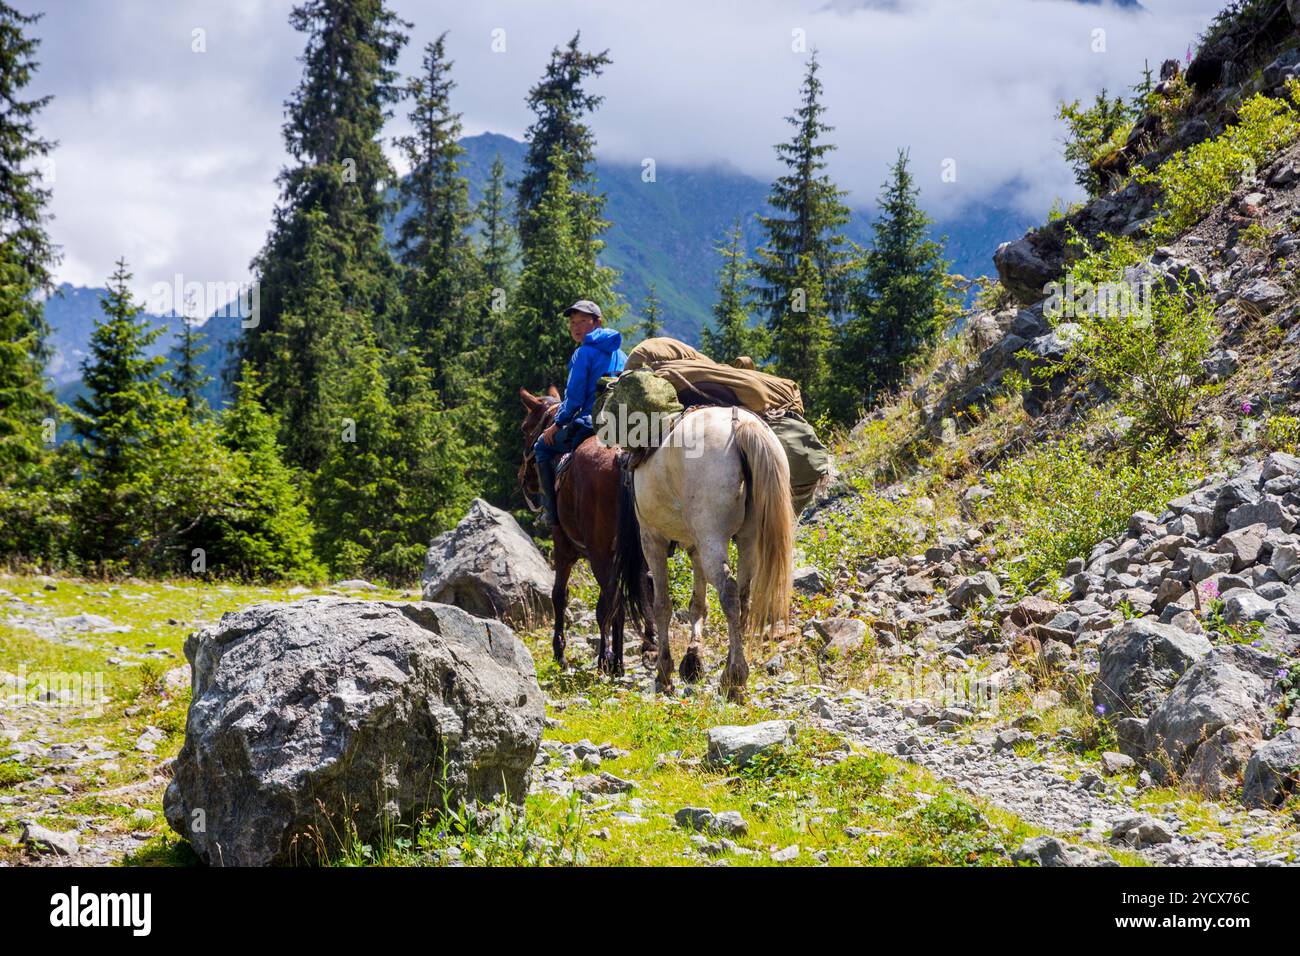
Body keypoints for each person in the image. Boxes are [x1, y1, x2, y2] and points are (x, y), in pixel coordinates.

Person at [534, 300, 627, 528]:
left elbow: (573, 398)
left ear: (597, 323)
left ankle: (551, 514)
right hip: (620, 422)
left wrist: (557, 424)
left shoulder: (583, 353)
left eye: (583, 322)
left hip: (590, 422)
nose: (576, 327)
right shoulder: (621, 353)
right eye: (573, 322)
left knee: (541, 447)